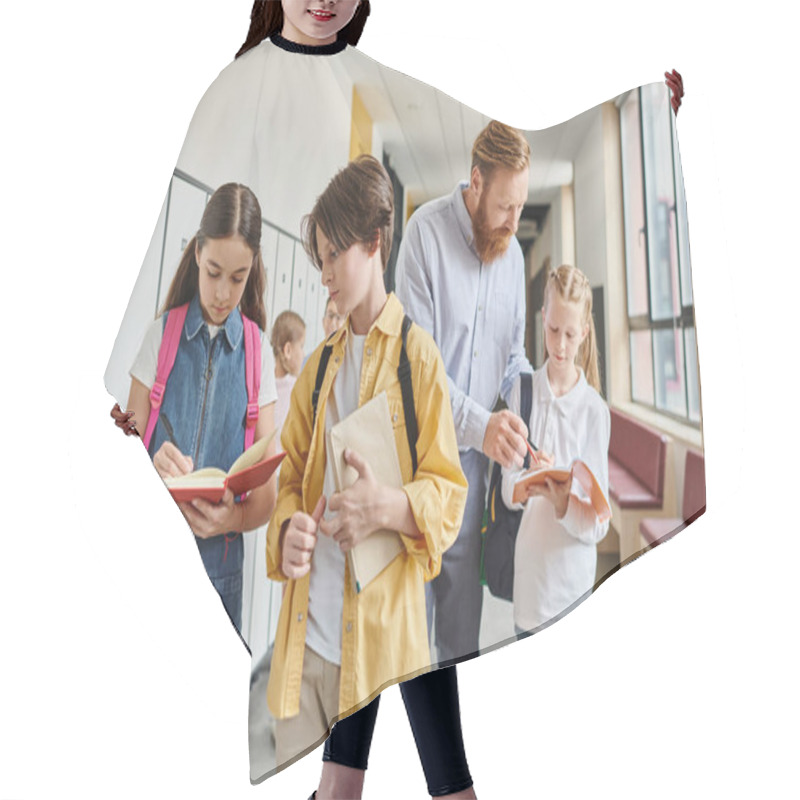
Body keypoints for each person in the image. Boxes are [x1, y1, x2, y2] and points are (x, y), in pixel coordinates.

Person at [267, 154, 473, 798]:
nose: (324, 273)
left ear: (374, 243)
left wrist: (386, 507)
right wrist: (286, 537)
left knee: (448, 786)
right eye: (319, 257)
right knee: (337, 789)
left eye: (335, 255)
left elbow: (449, 494)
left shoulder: (417, 357)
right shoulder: (316, 370)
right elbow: (290, 490)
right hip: (322, 632)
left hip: (392, 628)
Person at [395, 120, 534, 664]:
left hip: (471, 484)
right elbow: (418, 372)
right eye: (505, 206)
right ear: (476, 181)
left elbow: (512, 359)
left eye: (520, 207)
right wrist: (484, 424)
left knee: (459, 648)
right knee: (404, 646)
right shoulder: (424, 237)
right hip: (416, 468)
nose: (513, 221)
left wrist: (528, 411)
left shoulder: (514, 259)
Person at [123, 183, 279, 632]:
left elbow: (266, 498)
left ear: (253, 270)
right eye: (213, 272)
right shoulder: (161, 336)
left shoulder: (258, 354)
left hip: (220, 579)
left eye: (237, 277)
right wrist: (147, 464)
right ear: (197, 254)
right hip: (151, 565)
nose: (222, 294)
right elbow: (120, 448)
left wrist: (232, 517)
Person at [501, 265, 610, 636]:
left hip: (574, 590)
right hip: (530, 591)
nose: (560, 346)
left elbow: (600, 524)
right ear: (542, 317)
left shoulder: (595, 410)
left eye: (569, 334)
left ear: (584, 332)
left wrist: (563, 504)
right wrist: (531, 481)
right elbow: (506, 492)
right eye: (552, 331)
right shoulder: (522, 392)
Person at [271, 309, 306, 436]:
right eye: (301, 346)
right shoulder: (298, 390)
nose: (303, 354)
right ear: (288, 350)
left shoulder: (264, 385)